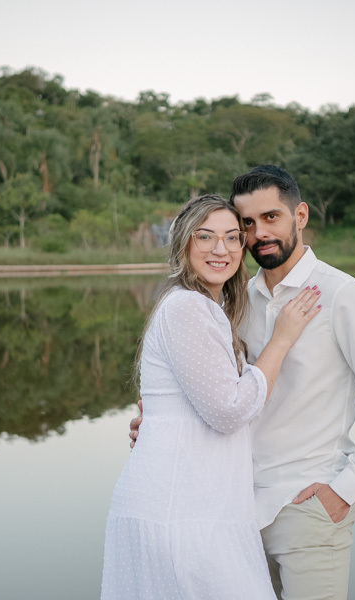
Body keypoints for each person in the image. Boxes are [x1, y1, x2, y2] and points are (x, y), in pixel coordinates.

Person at [131, 166, 355, 600]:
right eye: (247, 223)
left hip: (306, 506)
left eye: (271, 217)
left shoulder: (343, 296)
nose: (259, 232)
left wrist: (346, 488)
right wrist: (161, 425)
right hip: (234, 508)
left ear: (299, 216)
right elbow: (225, 398)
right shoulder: (237, 299)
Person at [101, 194, 322, 600]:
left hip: (196, 505)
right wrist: (282, 340)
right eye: (206, 237)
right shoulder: (187, 307)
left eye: (232, 237)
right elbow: (229, 410)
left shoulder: (206, 307)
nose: (220, 249)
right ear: (184, 244)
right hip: (180, 510)